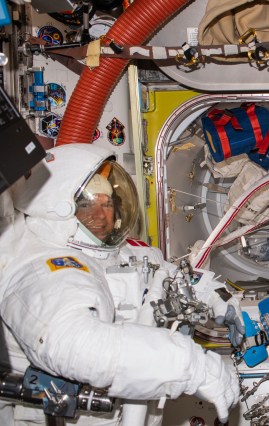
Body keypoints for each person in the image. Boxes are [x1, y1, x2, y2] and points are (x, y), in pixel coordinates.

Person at [0, 144, 242, 425]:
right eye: (87, 204)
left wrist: (219, 297)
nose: (102, 215)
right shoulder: (45, 266)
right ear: (59, 208)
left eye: (107, 203)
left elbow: (170, 275)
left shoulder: (114, 251)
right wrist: (194, 367)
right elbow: (74, 344)